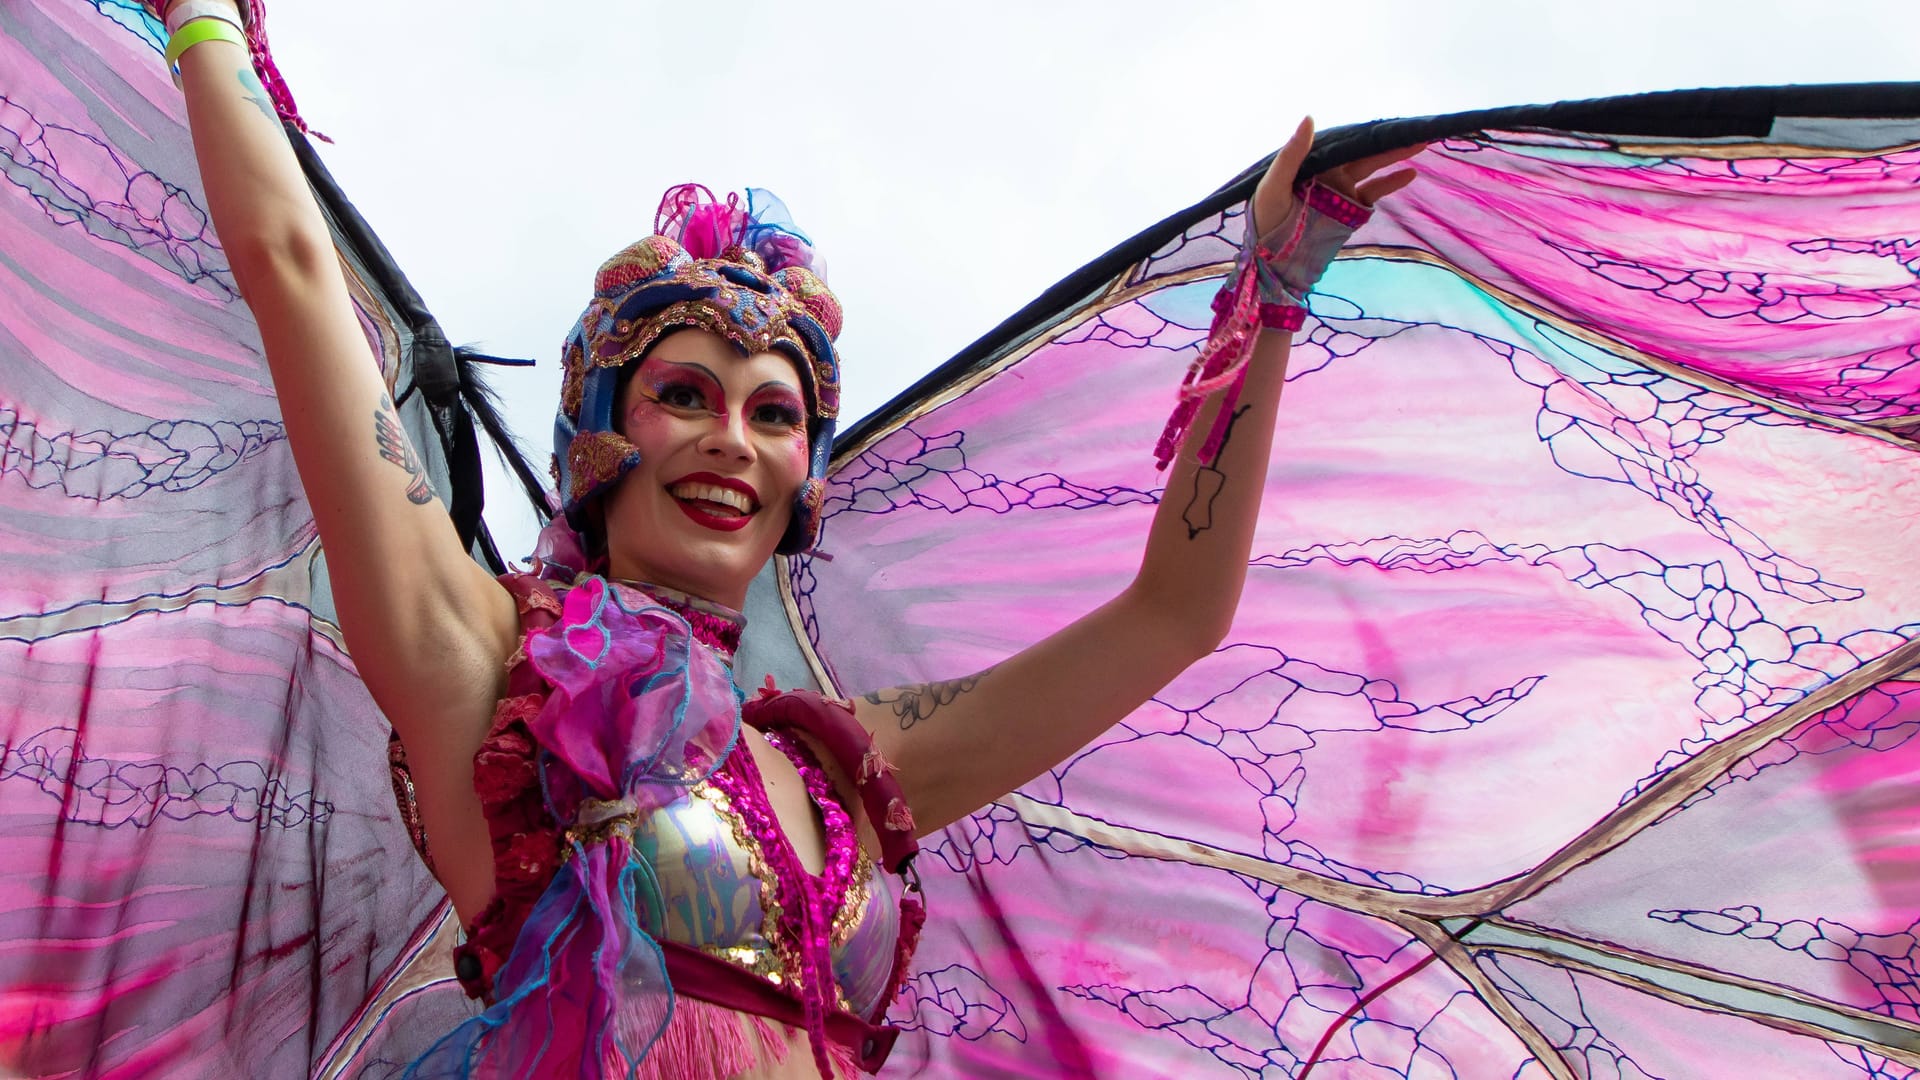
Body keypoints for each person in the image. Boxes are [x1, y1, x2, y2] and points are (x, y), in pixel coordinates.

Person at [158, 1, 1419, 1075]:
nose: (735, 444)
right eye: (686, 396)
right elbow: (290, 269)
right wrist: (205, 21)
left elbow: (1174, 618)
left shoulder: (846, 769)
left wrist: (1272, 296)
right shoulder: (494, 676)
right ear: (601, 434)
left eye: (777, 416)